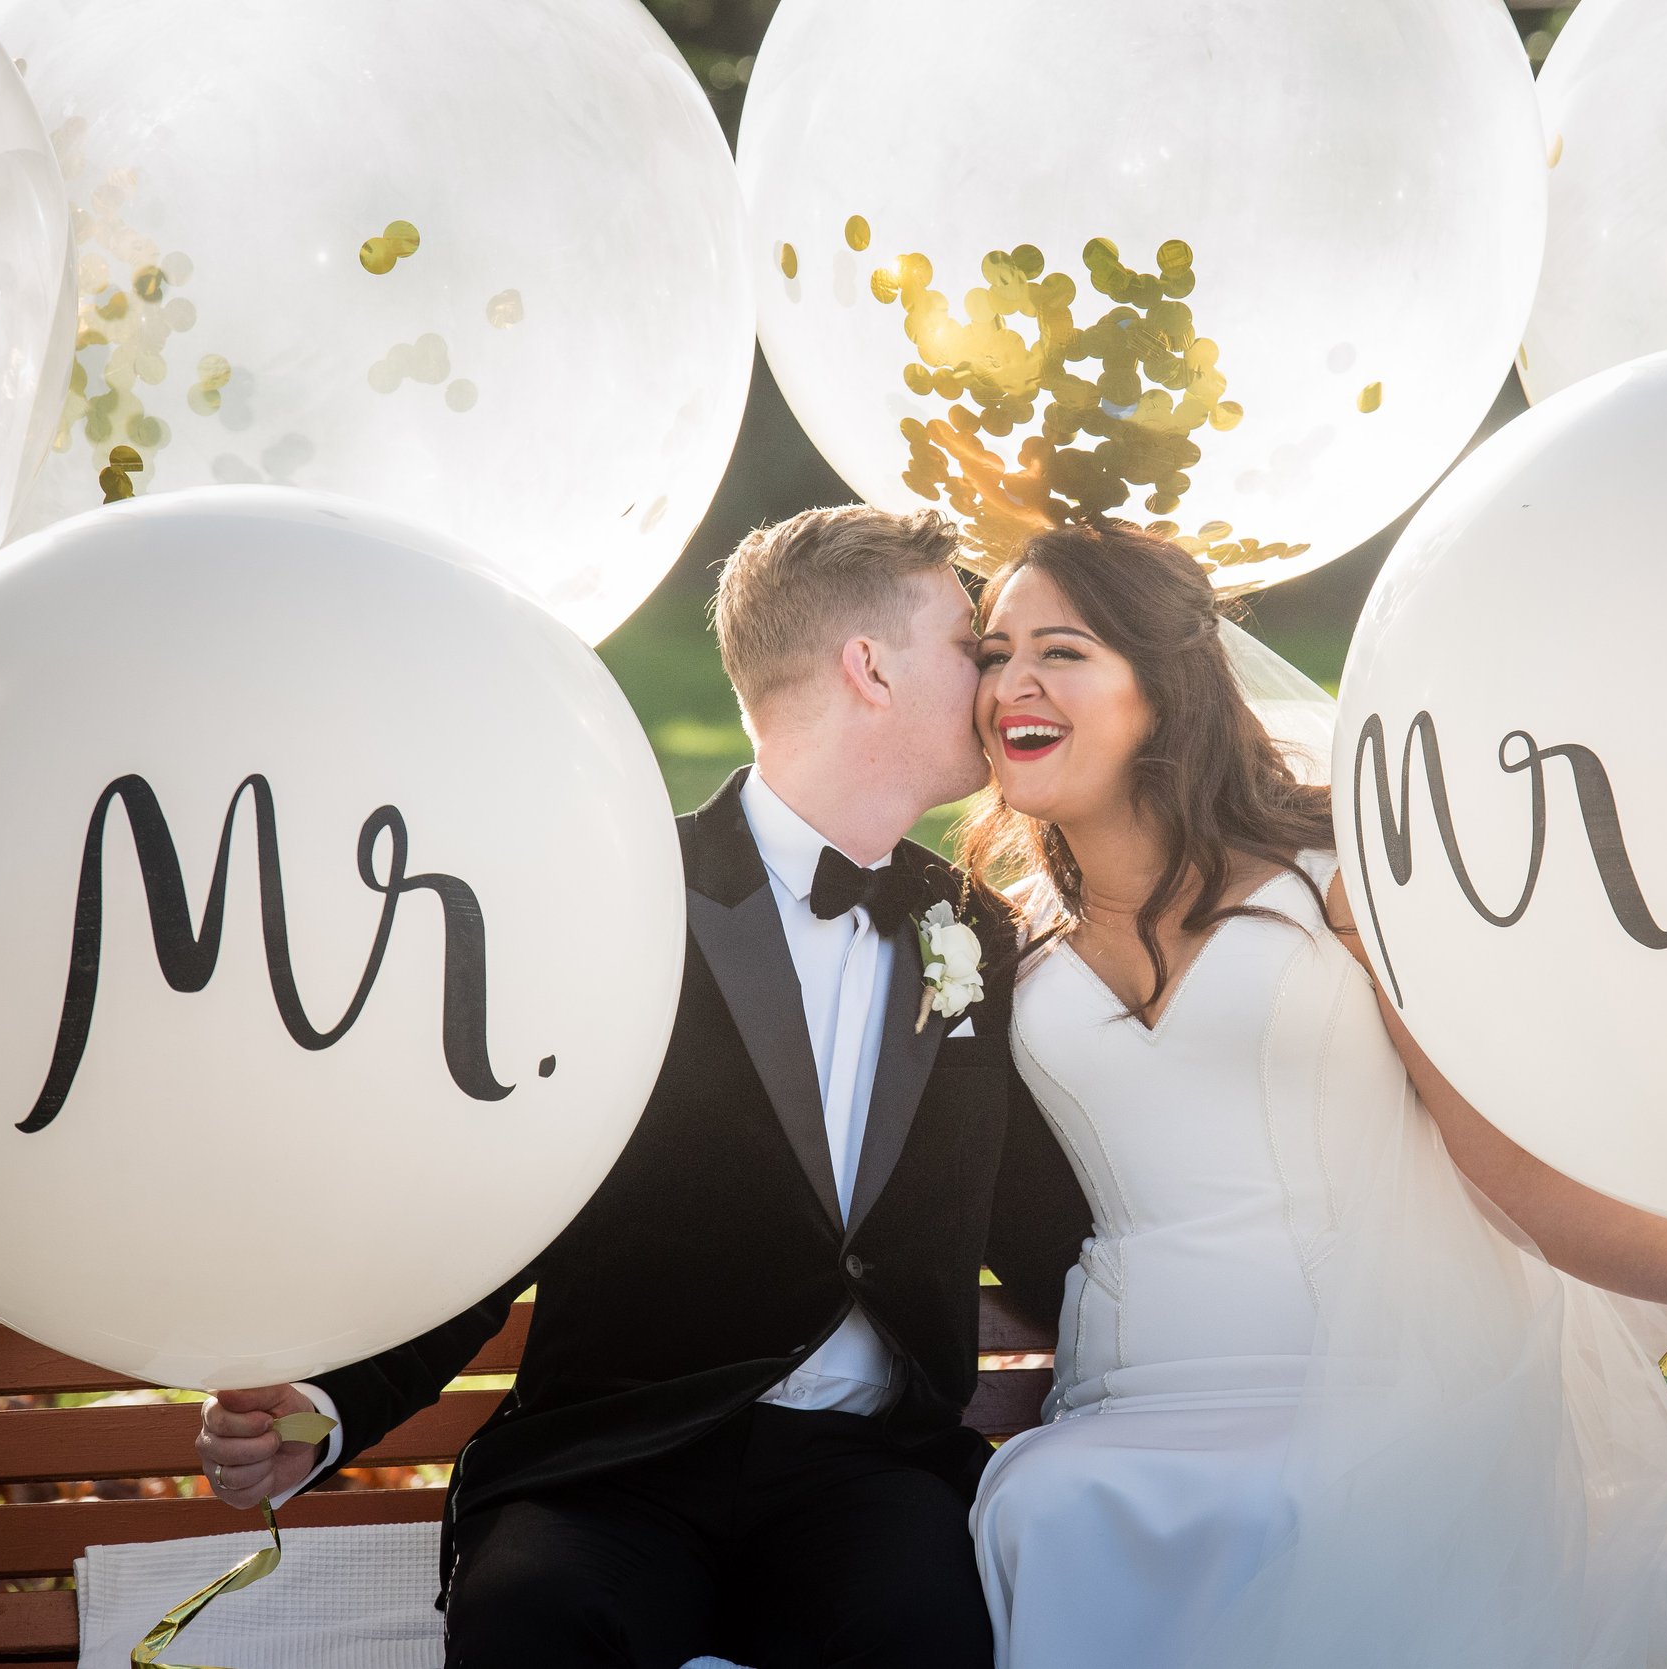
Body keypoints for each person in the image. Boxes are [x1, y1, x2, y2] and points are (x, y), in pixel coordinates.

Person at [961, 519, 1667, 1668]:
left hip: (1373, 1382)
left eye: (1060, 650)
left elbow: (1499, 1159)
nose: (1013, 681)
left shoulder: (1335, 888)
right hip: (1141, 1391)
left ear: (1158, 689)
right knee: (1049, 1508)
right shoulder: (996, 945)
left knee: (1341, 1507)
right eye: (994, 650)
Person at [193, 506, 1094, 1669]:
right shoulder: (615, 895)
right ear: (867, 666)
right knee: (533, 1622)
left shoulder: (967, 927)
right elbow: (496, 1187)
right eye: (968, 639)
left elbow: (1036, 1219)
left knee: (923, 1630)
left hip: (865, 1474)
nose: (989, 674)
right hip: (617, 1462)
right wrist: (328, 1402)